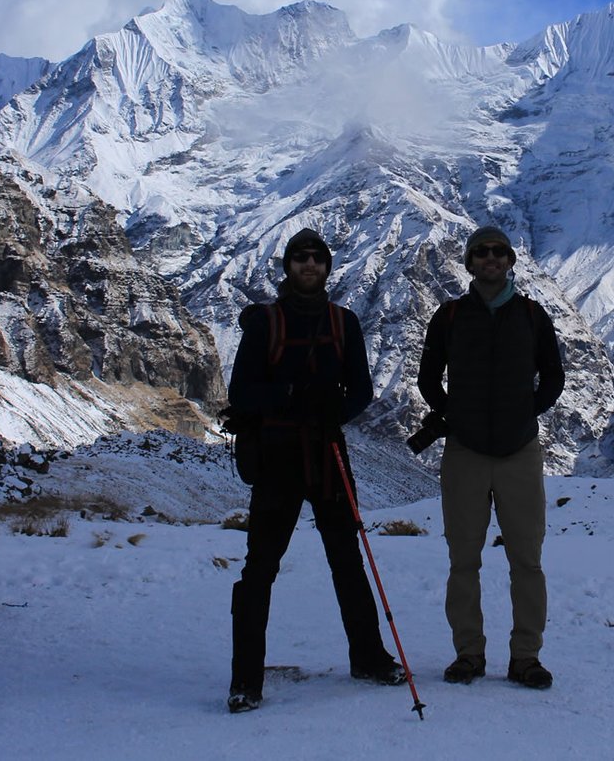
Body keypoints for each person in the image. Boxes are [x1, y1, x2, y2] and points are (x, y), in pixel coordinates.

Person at [222, 228, 405, 714]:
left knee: (345, 558)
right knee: (261, 567)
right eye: (300, 259)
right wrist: (293, 399)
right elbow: (240, 393)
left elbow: (361, 390)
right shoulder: (265, 323)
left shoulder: (344, 324)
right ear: (288, 267)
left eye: (316, 259)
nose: (309, 266)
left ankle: (367, 657)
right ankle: (246, 679)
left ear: (327, 267)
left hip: (324, 451)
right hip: (282, 454)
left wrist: (331, 414)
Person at [411, 225, 565, 690]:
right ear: (470, 262)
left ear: (511, 260)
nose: (491, 259)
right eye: (482, 253)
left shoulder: (534, 316)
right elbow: (426, 378)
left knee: (527, 560)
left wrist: (523, 413)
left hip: (518, 450)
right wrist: (454, 414)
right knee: (463, 560)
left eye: (499, 252)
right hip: (466, 451)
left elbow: (553, 378)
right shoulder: (450, 317)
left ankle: (526, 657)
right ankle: (469, 654)